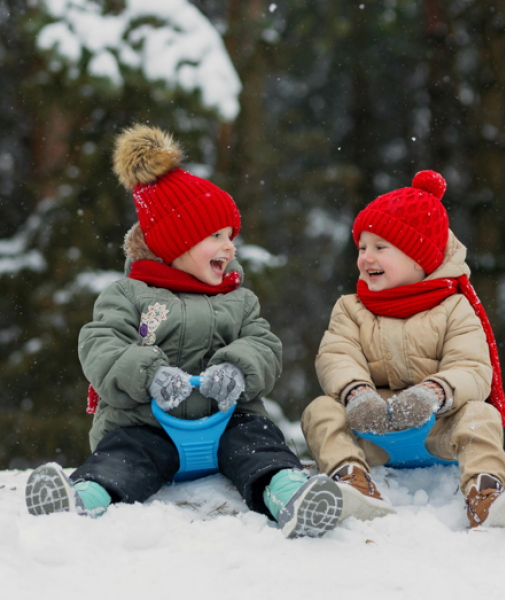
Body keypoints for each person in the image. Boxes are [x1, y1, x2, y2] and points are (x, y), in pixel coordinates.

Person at [25, 125, 342, 539]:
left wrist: (236, 369)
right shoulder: (129, 295)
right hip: (146, 425)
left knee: (260, 444)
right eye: (215, 236)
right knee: (122, 458)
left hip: (227, 421)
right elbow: (101, 345)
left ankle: (291, 496)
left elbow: (263, 344)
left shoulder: (237, 299)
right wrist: (150, 375)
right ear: (175, 242)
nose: (229, 247)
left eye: (231, 236)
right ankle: (82, 498)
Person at [301, 170, 505, 534]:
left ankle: (485, 493)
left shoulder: (454, 307)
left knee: (479, 414)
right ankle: (351, 480)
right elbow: (336, 355)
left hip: (438, 431)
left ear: (418, 257)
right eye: (362, 247)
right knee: (321, 411)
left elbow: (472, 366)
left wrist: (434, 393)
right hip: (372, 428)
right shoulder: (351, 308)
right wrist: (357, 394)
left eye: (380, 247)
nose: (366, 257)